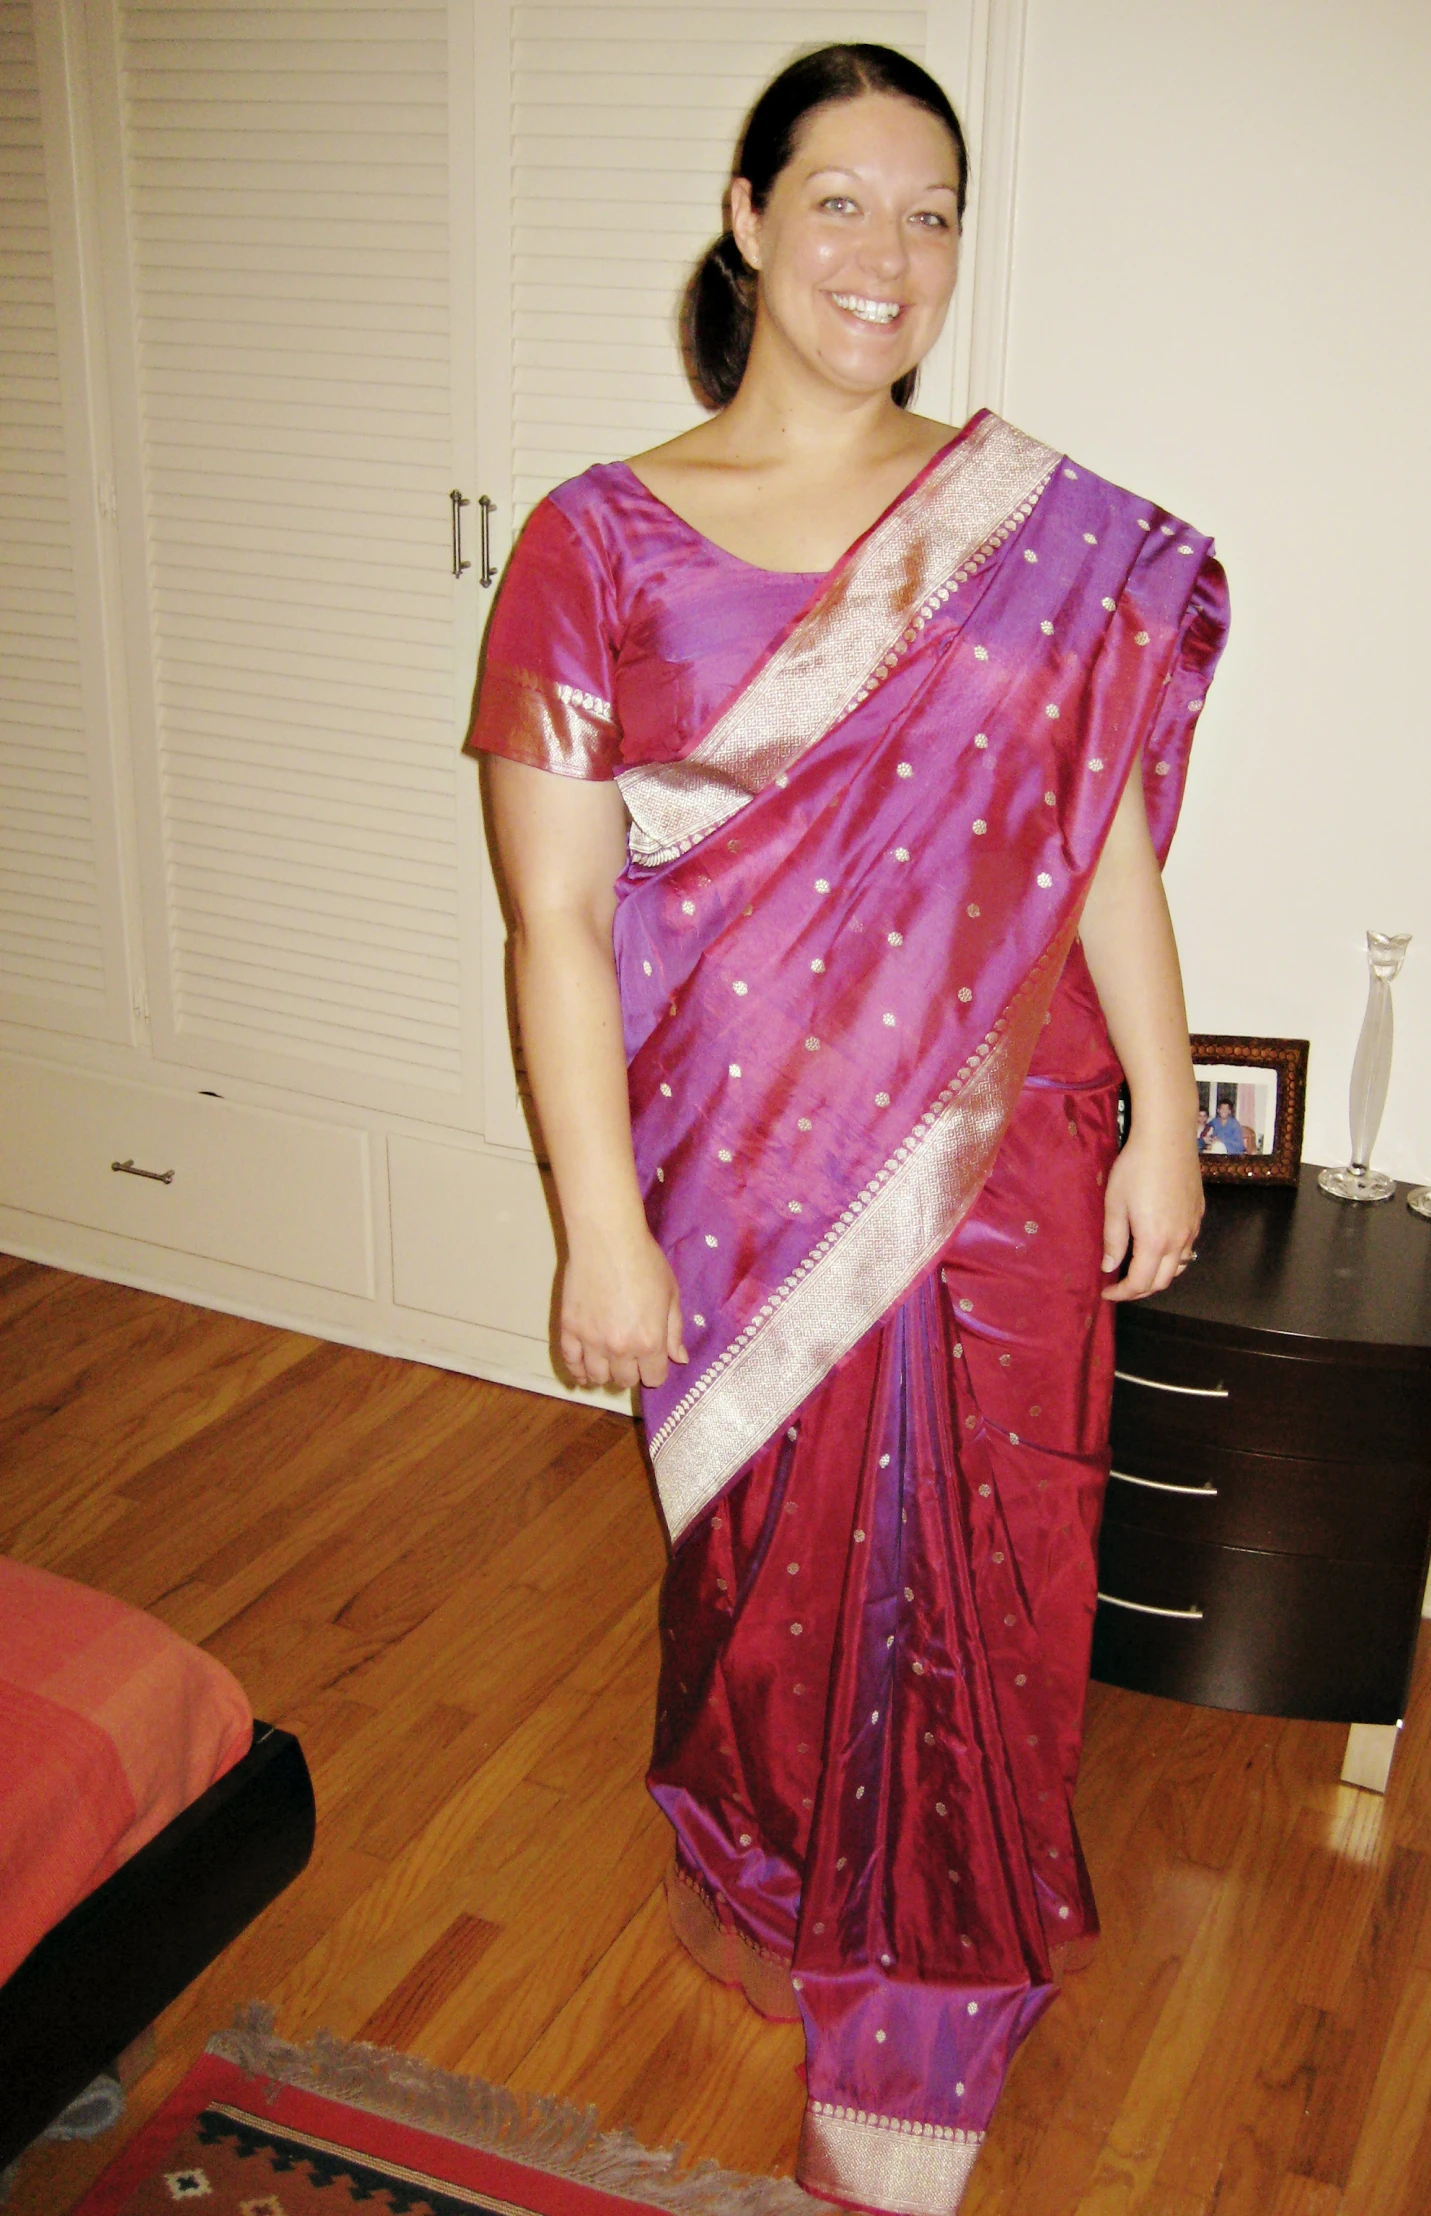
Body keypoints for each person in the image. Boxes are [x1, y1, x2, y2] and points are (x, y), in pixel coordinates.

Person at [470, 44, 1227, 2216]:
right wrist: (598, 1232)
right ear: (744, 214)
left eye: (929, 211)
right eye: (838, 202)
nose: (885, 255)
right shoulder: (594, 541)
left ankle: (932, 1984)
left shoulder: (1036, 530)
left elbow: (1099, 857)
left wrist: (1168, 1119)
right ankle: (778, 1843)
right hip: (738, 1174)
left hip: (1005, 1151)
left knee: (990, 1564)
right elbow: (553, 913)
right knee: (778, 1574)